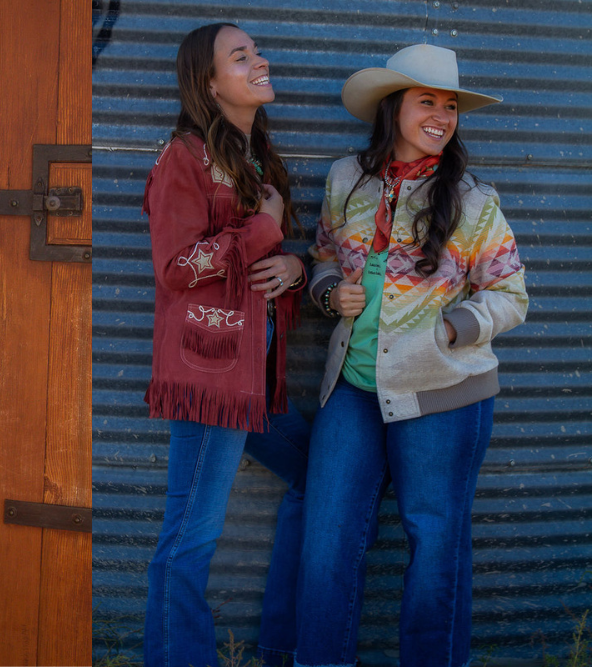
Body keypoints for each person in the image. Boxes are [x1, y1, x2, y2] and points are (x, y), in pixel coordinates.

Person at [295, 45, 528, 667]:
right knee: (326, 544)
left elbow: (510, 295)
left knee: (434, 547)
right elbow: (321, 254)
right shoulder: (346, 179)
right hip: (351, 389)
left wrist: (450, 329)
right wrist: (325, 290)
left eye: (450, 106)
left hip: (442, 396)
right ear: (393, 107)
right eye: (427, 101)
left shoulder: (474, 200)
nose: (441, 116)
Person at [142, 23, 311, 667]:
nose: (260, 60)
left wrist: (292, 269)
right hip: (210, 373)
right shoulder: (182, 157)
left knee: (320, 474)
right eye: (241, 57)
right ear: (209, 85)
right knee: (188, 542)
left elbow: (259, 267)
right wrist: (265, 229)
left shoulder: (256, 160)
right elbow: (176, 268)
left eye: (257, 51)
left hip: (255, 379)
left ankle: (281, 645)